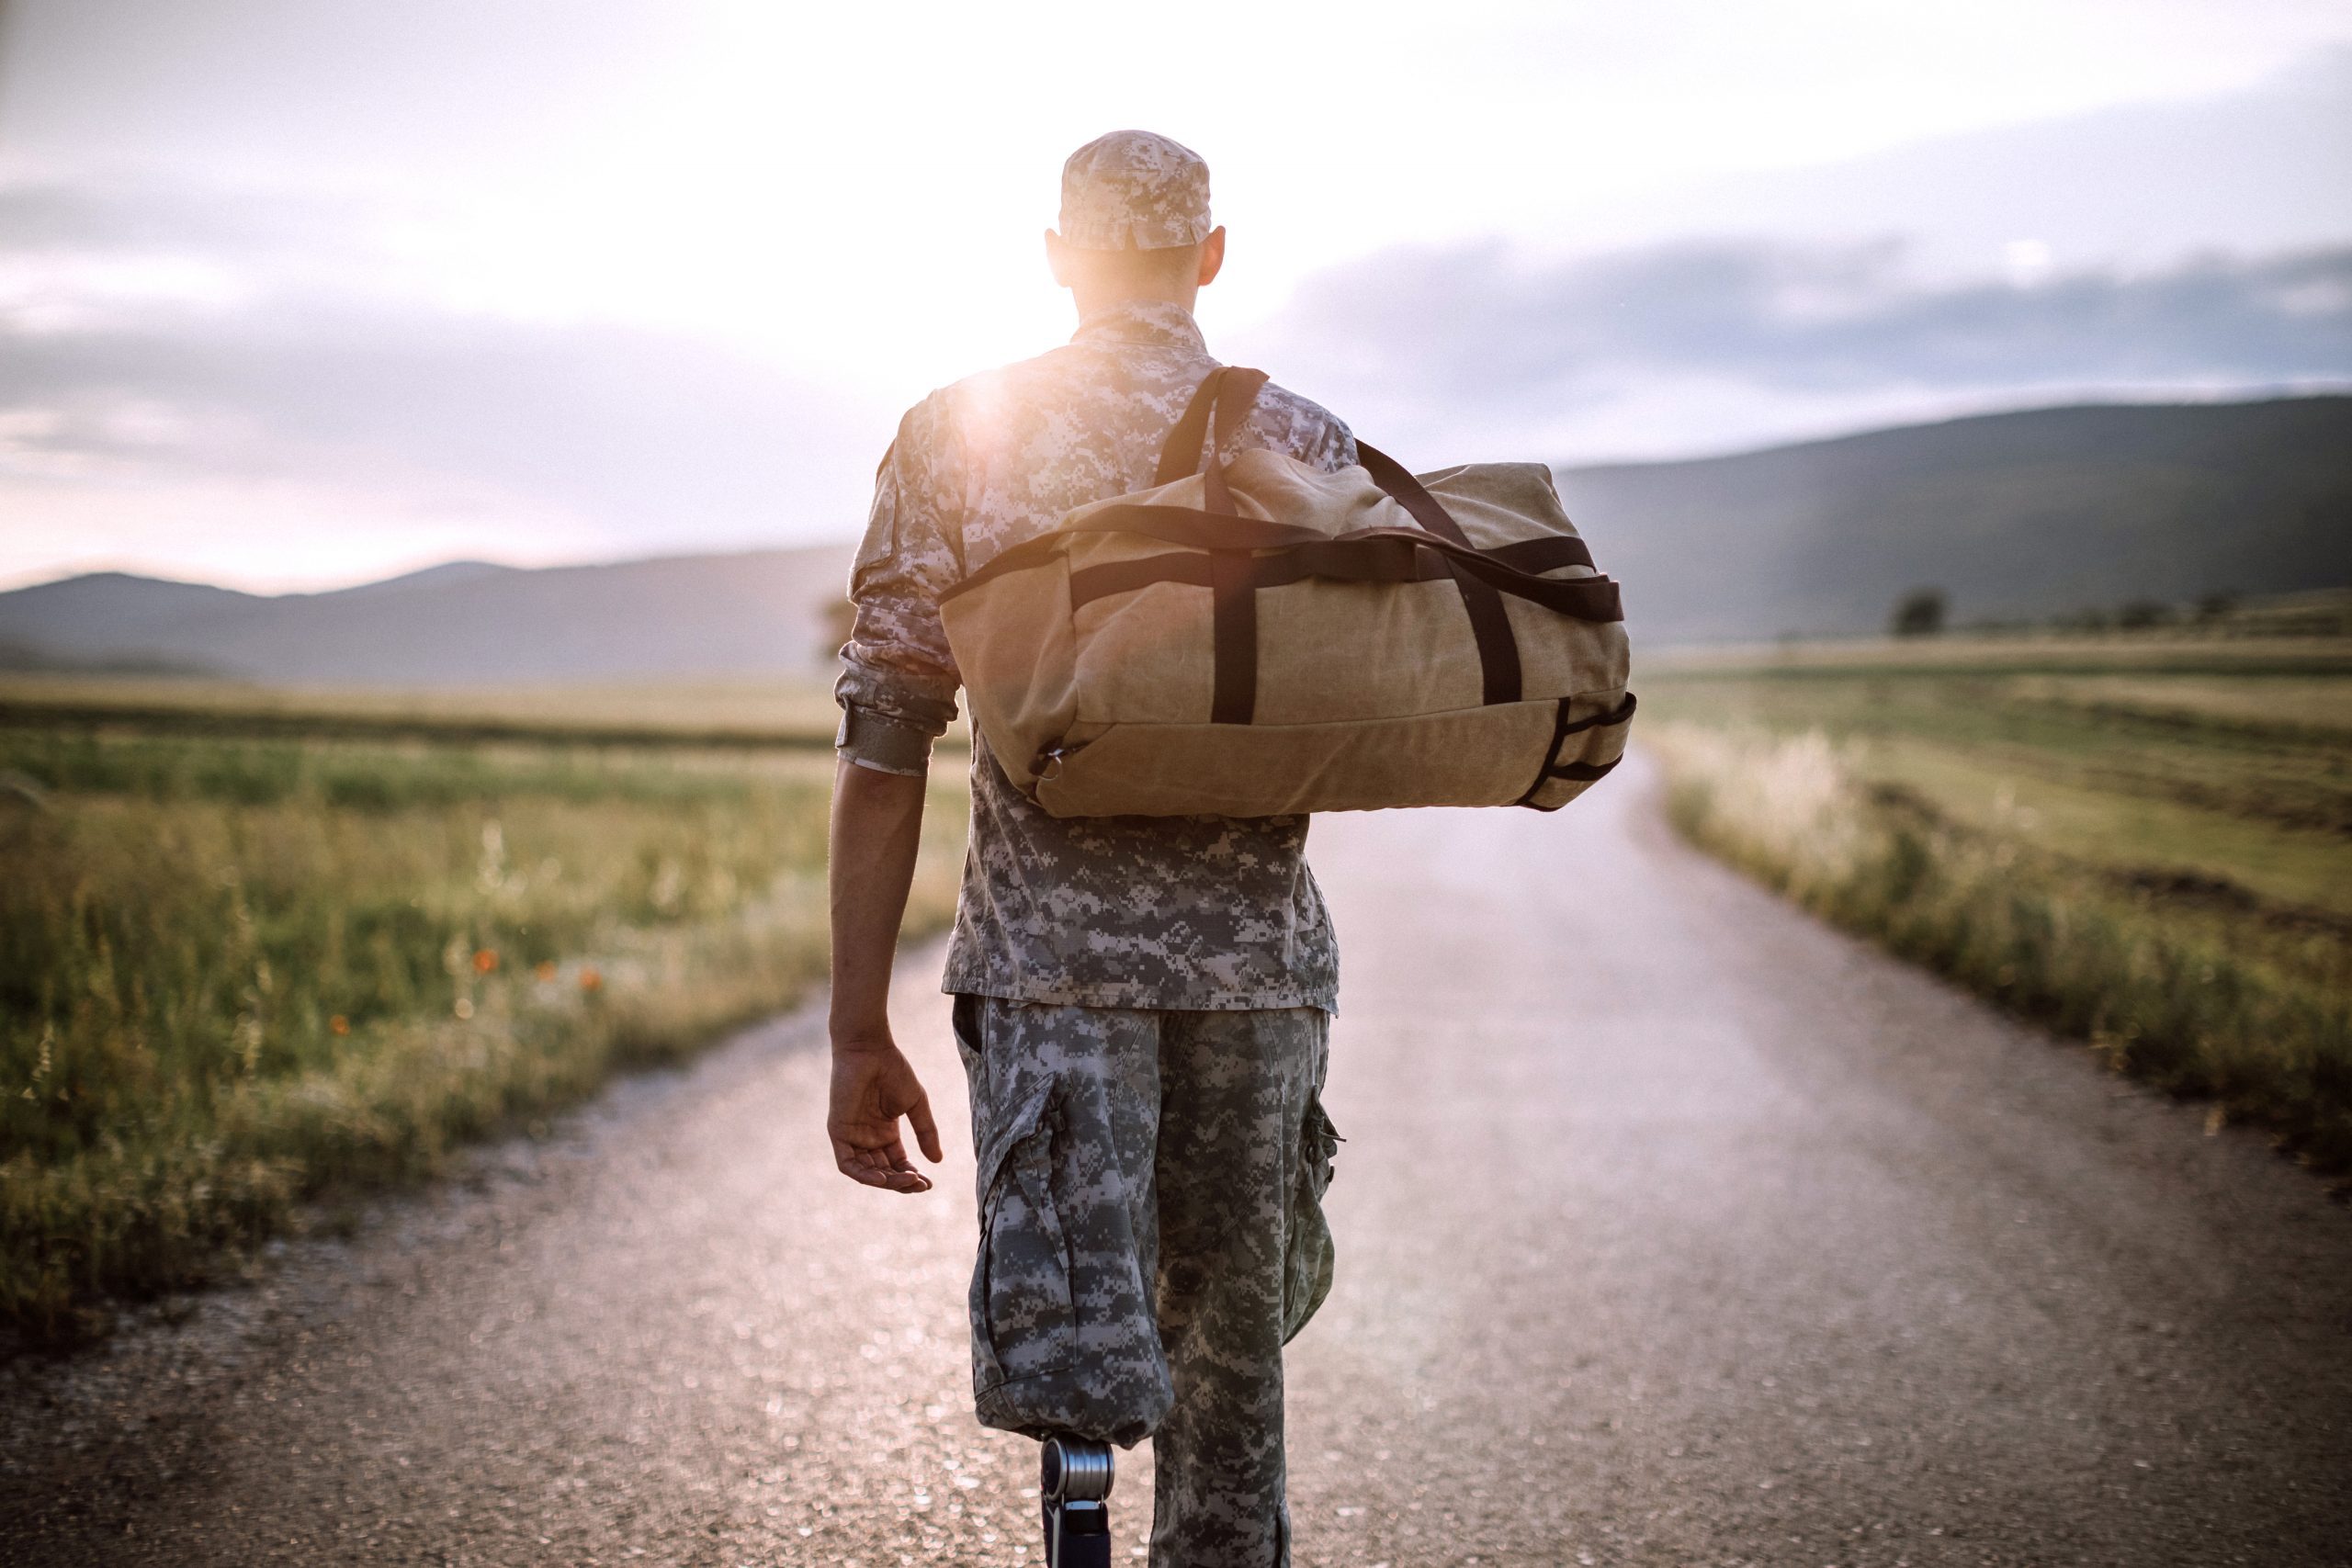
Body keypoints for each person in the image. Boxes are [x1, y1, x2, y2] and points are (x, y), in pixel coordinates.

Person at [824, 129, 1351, 1568]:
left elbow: (886, 742)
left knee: (1075, 1381)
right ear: (1212, 254)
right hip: (1261, 984)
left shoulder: (958, 437)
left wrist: (856, 1023)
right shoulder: (1303, 438)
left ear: (1059, 258)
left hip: (1053, 982)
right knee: (1234, 1403)